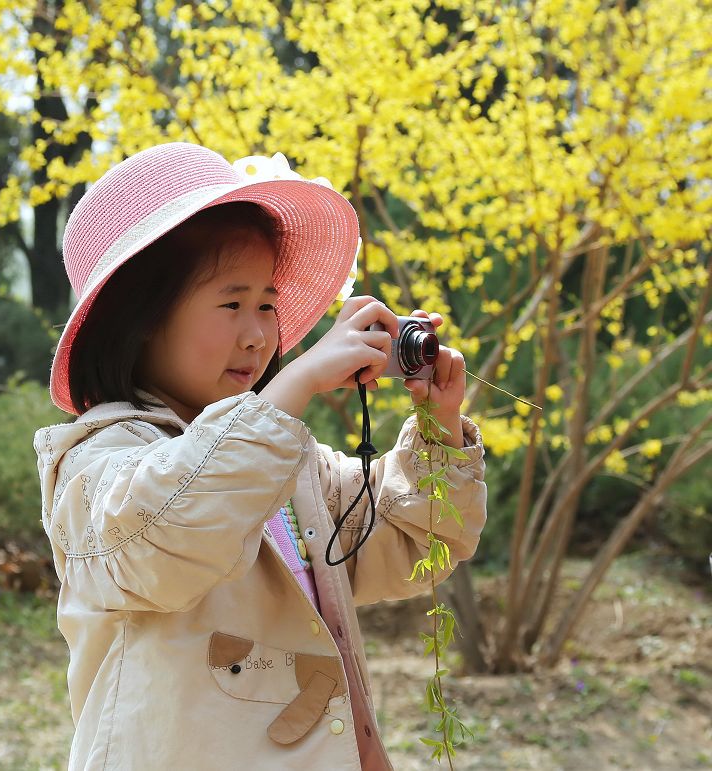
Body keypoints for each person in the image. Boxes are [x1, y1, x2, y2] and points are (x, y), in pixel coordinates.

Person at [33, 142, 487, 771]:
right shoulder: (97, 460)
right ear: (139, 320)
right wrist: (292, 388)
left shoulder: (287, 462)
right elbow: (166, 533)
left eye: (268, 305)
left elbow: (406, 540)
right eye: (231, 304)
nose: (257, 334)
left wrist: (438, 428)